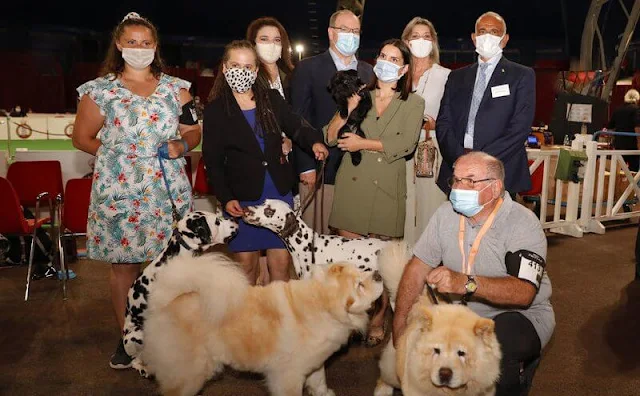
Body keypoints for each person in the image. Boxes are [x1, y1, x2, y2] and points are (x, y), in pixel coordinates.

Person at [72, 12, 201, 369]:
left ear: (155, 47)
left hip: (168, 190)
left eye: (146, 43)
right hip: (120, 192)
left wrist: (182, 146)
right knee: (125, 268)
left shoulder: (178, 89)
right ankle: (128, 338)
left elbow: (193, 131)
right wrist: (118, 158)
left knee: (174, 267)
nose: (139, 49)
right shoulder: (100, 91)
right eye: (132, 42)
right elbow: (81, 138)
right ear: (119, 45)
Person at [393, 152, 555, 396]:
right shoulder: (445, 215)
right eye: (456, 180)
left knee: (498, 348)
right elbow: (417, 268)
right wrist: (399, 321)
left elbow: (524, 293)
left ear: (495, 187)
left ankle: (518, 376)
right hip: (459, 317)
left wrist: (466, 284)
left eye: (470, 180)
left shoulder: (523, 223)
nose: (459, 187)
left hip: (520, 315)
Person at [202, 40, 328, 286]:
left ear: (256, 71)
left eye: (248, 66)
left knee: (280, 266)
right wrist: (226, 198)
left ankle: (278, 320)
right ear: (225, 69)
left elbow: (296, 125)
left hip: (278, 194)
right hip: (242, 198)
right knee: (246, 268)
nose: (242, 71)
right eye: (236, 65)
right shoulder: (216, 110)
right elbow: (213, 161)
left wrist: (314, 142)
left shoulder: (271, 99)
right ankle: (248, 321)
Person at [325, 39, 424, 346]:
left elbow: (406, 144)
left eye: (394, 58)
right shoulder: (359, 94)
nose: (386, 62)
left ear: (404, 68)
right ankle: (348, 318)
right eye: (382, 55)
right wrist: (347, 109)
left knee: (381, 267)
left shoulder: (414, 103)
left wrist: (361, 144)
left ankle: (378, 320)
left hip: (386, 191)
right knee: (350, 266)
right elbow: (330, 138)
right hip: (353, 187)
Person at [290, 9, 374, 234]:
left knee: (354, 242)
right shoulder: (308, 68)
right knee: (319, 240)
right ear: (330, 33)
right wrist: (306, 166)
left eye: (355, 31)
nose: (351, 35)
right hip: (322, 166)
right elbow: (298, 121)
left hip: (359, 170)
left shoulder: (369, 72)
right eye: (344, 30)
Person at [436, 11, 534, 197]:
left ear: (504, 39)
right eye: (482, 31)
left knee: (496, 225)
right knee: (458, 224)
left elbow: (519, 128)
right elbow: (444, 123)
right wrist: (459, 157)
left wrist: (482, 161)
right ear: (474, 38)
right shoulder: (457, 77)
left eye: (494, 32)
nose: (487, 36)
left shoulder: (521, 75)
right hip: (458, 167)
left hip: (500, 168)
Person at [400, 17, 451, 245]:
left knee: (430, 207)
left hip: (430, 150)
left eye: (426, 37)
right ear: (406, 41)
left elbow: (452, 117)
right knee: (403, 206)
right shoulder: (398, 73)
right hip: (398, 150)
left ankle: (429, 263)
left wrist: (435, 124)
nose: (421, 41)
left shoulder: (446, 76)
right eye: (415, 36)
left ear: (434, 42)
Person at [606, 89, 640, 171]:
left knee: (619, 169)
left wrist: (614, 139)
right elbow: (637, 127)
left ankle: (619, 183)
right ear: (637, 99)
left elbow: (610, 127)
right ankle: (630, 184)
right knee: (633, 170)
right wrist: (639, 142)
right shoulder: (636, 109)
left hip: (619, 145)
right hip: (632, 145)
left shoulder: (618, 109)